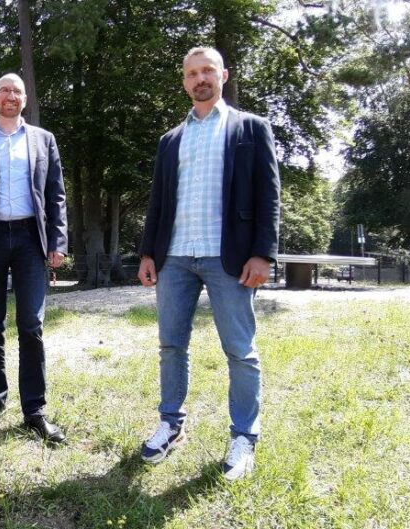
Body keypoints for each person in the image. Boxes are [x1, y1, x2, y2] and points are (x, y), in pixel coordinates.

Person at [137, 47, 280, 480]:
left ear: (223, 75)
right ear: (184, 81)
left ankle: (244, 437)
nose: (200, 79)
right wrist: (148, 252)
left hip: (230, 257)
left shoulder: (251, 129)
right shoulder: (170, 140)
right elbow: (159, 201)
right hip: (175, 257)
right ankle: (171, 424)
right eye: (192, 73)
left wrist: (263, 253)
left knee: (240, 350)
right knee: (171, 346)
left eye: (207, 71)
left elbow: (268, 196)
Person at [0, 73, 69, 443]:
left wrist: (59, 241)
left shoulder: (43, 140)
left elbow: (56, 195)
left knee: (32, 326)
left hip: (31, 242)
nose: (11, 96)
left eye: (17, 91)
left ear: (24, 98)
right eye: (4, 90)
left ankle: (34, 410)